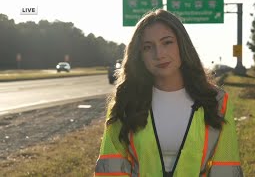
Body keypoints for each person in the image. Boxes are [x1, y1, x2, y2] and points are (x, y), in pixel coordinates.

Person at [94, 9, 243, 177]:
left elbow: (225, 168)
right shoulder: (125, 101)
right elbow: (111, 169)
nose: (159, 54)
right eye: (148, 47)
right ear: (139, 55)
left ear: (182, 45)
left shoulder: (217, 101)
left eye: (167, 42)